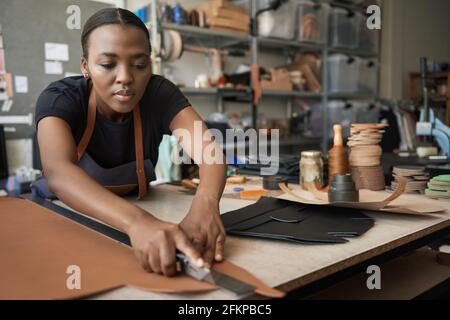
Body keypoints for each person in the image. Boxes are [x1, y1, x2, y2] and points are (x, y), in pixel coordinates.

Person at [34, 8, 227, 277]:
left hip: (136, 210)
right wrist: (138, 222)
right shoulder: (60, 99)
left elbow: (210, 153)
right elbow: (59, 173)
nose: (125, 77)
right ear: (85, 66)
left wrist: (206, 202)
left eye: (139, 65)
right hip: (64, 217)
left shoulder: (158, 94)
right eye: (108, 64)